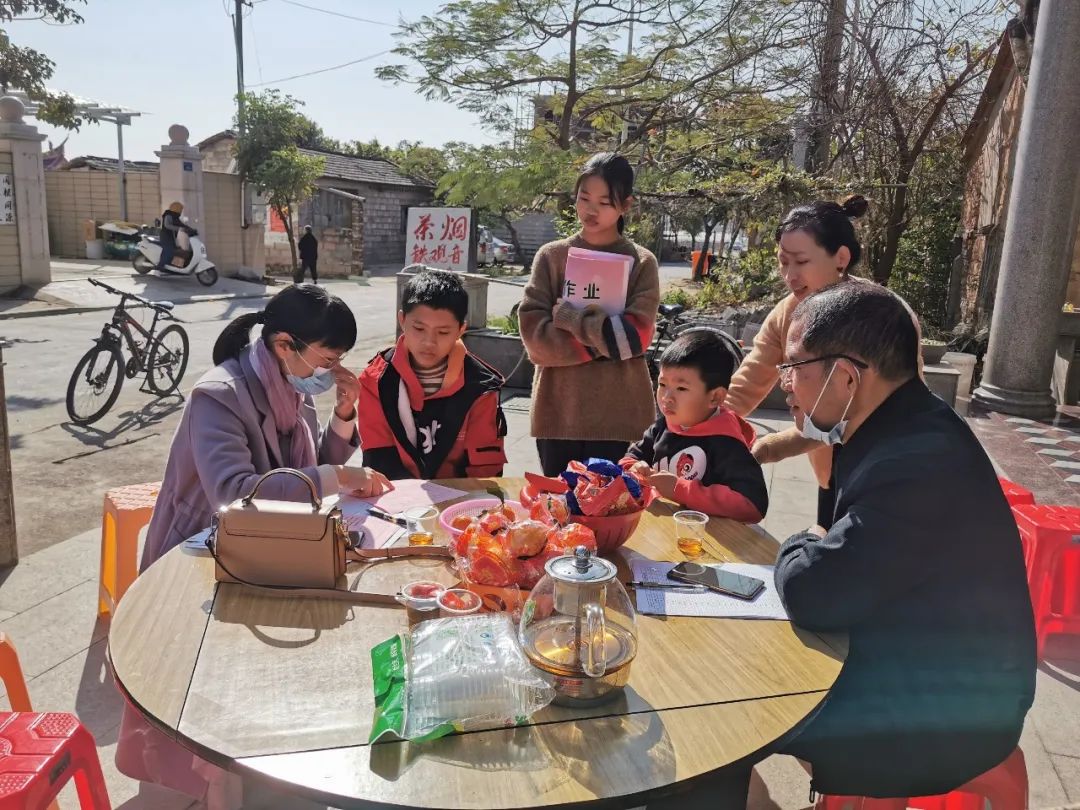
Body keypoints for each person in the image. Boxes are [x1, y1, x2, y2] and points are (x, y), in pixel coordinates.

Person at [773, 283, 1035, 798]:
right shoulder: (898, 425)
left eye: (795, 368)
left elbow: (813, 591)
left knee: (756, 705)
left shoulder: (913, 461)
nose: (786, 385)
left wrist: (801, 540)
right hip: (928, 657)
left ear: (845, 376)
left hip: (955, 705)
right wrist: (818, 546)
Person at [519, 152, 660, 476]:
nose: (590, 209)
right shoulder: (552, 257)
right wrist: (605, 342)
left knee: (615, 513)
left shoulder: (641, 262)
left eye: (604, 202)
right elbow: (534, 338)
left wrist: (570, 319)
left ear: (626, 205)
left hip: (620, 419)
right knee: (563, 517)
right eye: (584, 198)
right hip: (558, 416)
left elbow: (634, 338)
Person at [358, 269, 507, 479]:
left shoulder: (480, 387)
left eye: (443, 332)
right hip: (396, 499)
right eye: (419, 329)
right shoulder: (376, 381)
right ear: (402, 320)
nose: (429, 342)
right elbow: (378, 459)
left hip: (461, 503)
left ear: (461, 329)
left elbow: (485, 471)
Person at [620, 329, 768, 521]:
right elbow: (628, 459)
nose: (666, 398)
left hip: (709, 543)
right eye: (662, 384)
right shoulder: (663, 426)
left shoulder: (726, 442)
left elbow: (753, 506)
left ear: (715, 397)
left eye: (681, 388)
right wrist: (634, 468)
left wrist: (678, 489)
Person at [155, 200, 191, 271]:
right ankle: (160, 266)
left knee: (175, 251)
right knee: (168, 250)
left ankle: (168, 266)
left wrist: (190, 229)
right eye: (180, 209)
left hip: (171, 237)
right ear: (176, 208)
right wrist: (180, 228)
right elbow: (167, 225)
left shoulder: (175, 217)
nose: (181, 210)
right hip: (165, 236)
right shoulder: (168, 215)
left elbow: (181, 224)